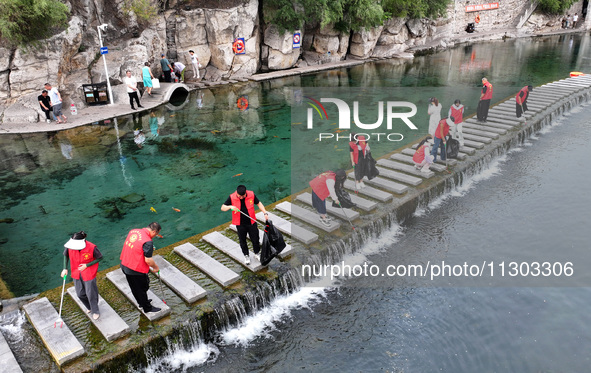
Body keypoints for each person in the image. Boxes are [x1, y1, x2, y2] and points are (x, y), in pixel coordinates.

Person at [120, 222, 162, 313]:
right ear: (154, 231)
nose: (155, 236)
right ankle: (147, 308)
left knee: (134, 287)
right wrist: (156, 267)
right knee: (142, 288)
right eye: (157, 234)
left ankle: (141, 302)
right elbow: (148, 260)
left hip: (125, 264)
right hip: (135, 269)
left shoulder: (133, 231)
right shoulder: (148, 242)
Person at [221, 185, 269, 265]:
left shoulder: (251, 194)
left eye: (242, 196)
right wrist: (230, 207)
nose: (241, 198)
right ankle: (246, 255)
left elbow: (259, 203)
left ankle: (257, 253)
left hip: (251, 222)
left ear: (245, 193)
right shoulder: (232, 197)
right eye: (239, 196)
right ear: (237, 193)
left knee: (255, 238)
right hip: (240, 224)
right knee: (242, 240)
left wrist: (265, 213)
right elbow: (223, 208)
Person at [61, 231, 103, 320]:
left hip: (89, 272)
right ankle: (89, 307)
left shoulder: (92, 247)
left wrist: (86, 265)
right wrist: (65, 268)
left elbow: (100, 258)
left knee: (91, 293)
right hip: (76, 271)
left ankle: (95, 310)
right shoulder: (70, 246)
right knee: (80, 293)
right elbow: (66, 255)